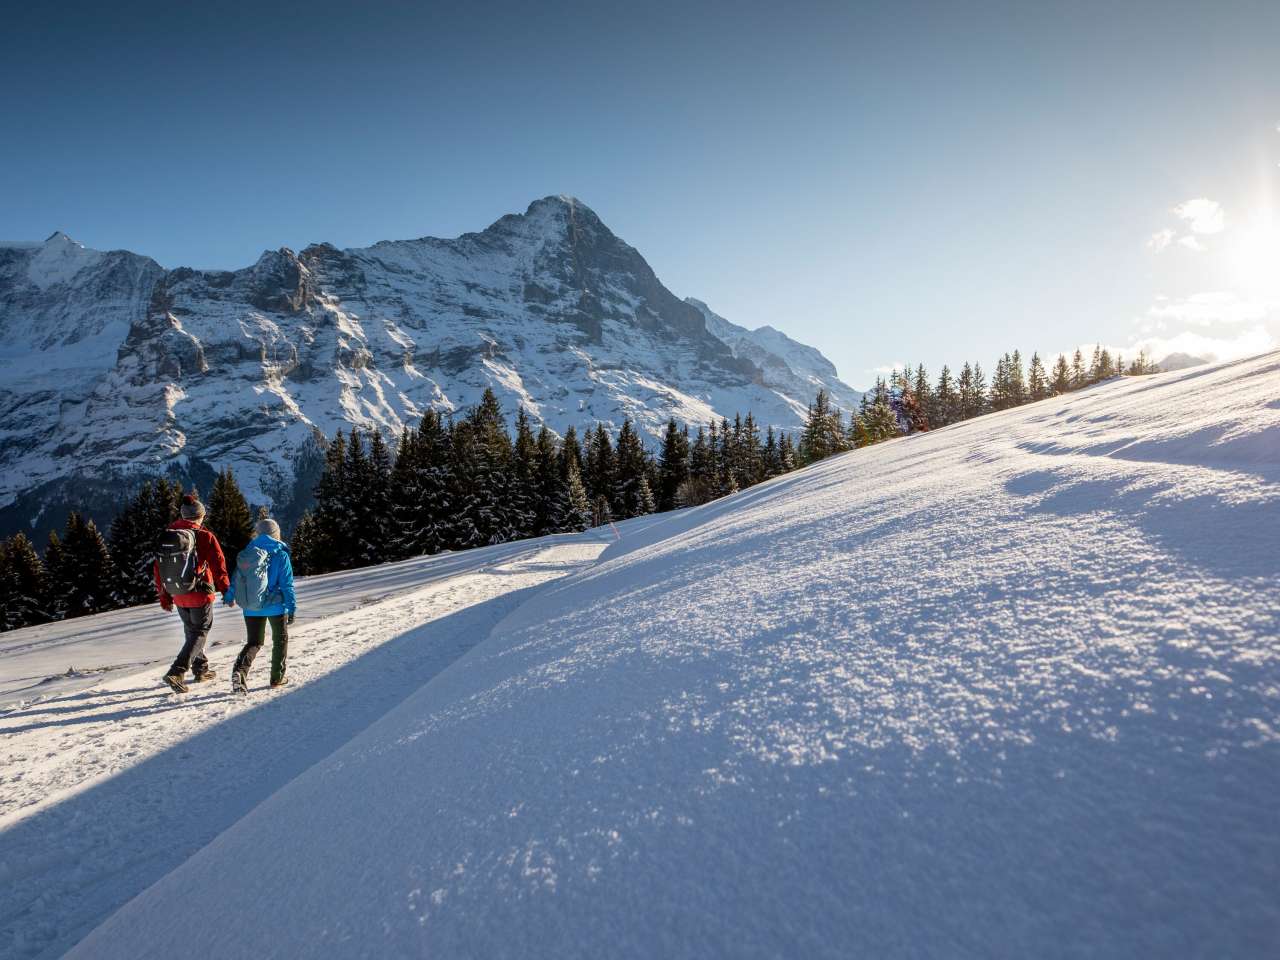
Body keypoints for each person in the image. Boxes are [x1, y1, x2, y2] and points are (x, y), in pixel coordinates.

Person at [154, 492, 230, 693]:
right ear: (200, 516)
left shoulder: (168, 535)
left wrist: (164, 596)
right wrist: (226, 590)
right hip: (199, 593)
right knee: (200, 631)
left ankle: (201, 669)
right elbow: (218, 566)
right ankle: (176, 671)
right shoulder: (204, 536)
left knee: (192, 632)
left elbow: (159, 568)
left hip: (178, 594)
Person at [224, 514, 296, 694]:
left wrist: (230, 595)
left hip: (251, 606)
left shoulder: (248, 553)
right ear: (276, 534)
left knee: (254, 642)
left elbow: (237, 578)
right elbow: (286, 585)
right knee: (280, 640)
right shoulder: (280, 554)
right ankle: (277, 678)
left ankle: (240, 672)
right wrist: (292, 607)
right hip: (276, 606)